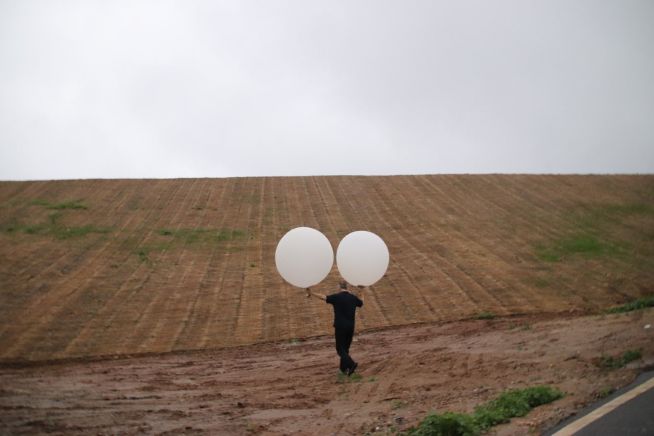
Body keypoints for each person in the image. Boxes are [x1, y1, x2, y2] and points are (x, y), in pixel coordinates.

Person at [306, 280, 364, 376]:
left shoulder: (336, 297)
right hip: (351, 326)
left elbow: (323, 297)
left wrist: (311, 293)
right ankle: (343, 369)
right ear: (347, 287)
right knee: (345, 349)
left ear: (339, 287)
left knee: (340, 349)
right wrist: (362, 290)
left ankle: (351, 364)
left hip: (340, 326)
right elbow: (361, 303)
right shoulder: (353, 298)